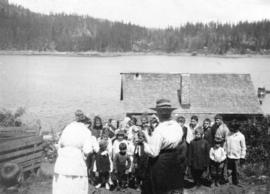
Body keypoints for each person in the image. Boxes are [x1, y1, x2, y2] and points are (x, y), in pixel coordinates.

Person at [141, 99, 184, 194]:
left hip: (161, 162)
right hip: (174, 159)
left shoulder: (159, 130)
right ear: (170, 113)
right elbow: (163, 143)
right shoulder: (177, 126)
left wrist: (143, 143)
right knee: (173, 186)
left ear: (159, 113)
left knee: (160, 188)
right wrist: (147, 136)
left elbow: (153, 152)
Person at [53, 110, 99, 194]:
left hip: (62, 161)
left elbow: (59, 144)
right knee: (76, 185)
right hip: (76, 161)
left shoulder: (68, 128)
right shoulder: (86, 131)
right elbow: (87, 150)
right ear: (87, 124)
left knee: (62, 185)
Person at [225, 121, 246, 186]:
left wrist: (242, 156)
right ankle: (229, 181)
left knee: (237, 170)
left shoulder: (241, 136)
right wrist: (225, 153)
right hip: (229, 156)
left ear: (237, 128)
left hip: (237, 156)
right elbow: (226, 144)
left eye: (233, 128)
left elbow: (243, 147)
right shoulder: (228, 134)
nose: (231, 129)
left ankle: (237, 182)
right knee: (229, 170)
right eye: (231, 127)